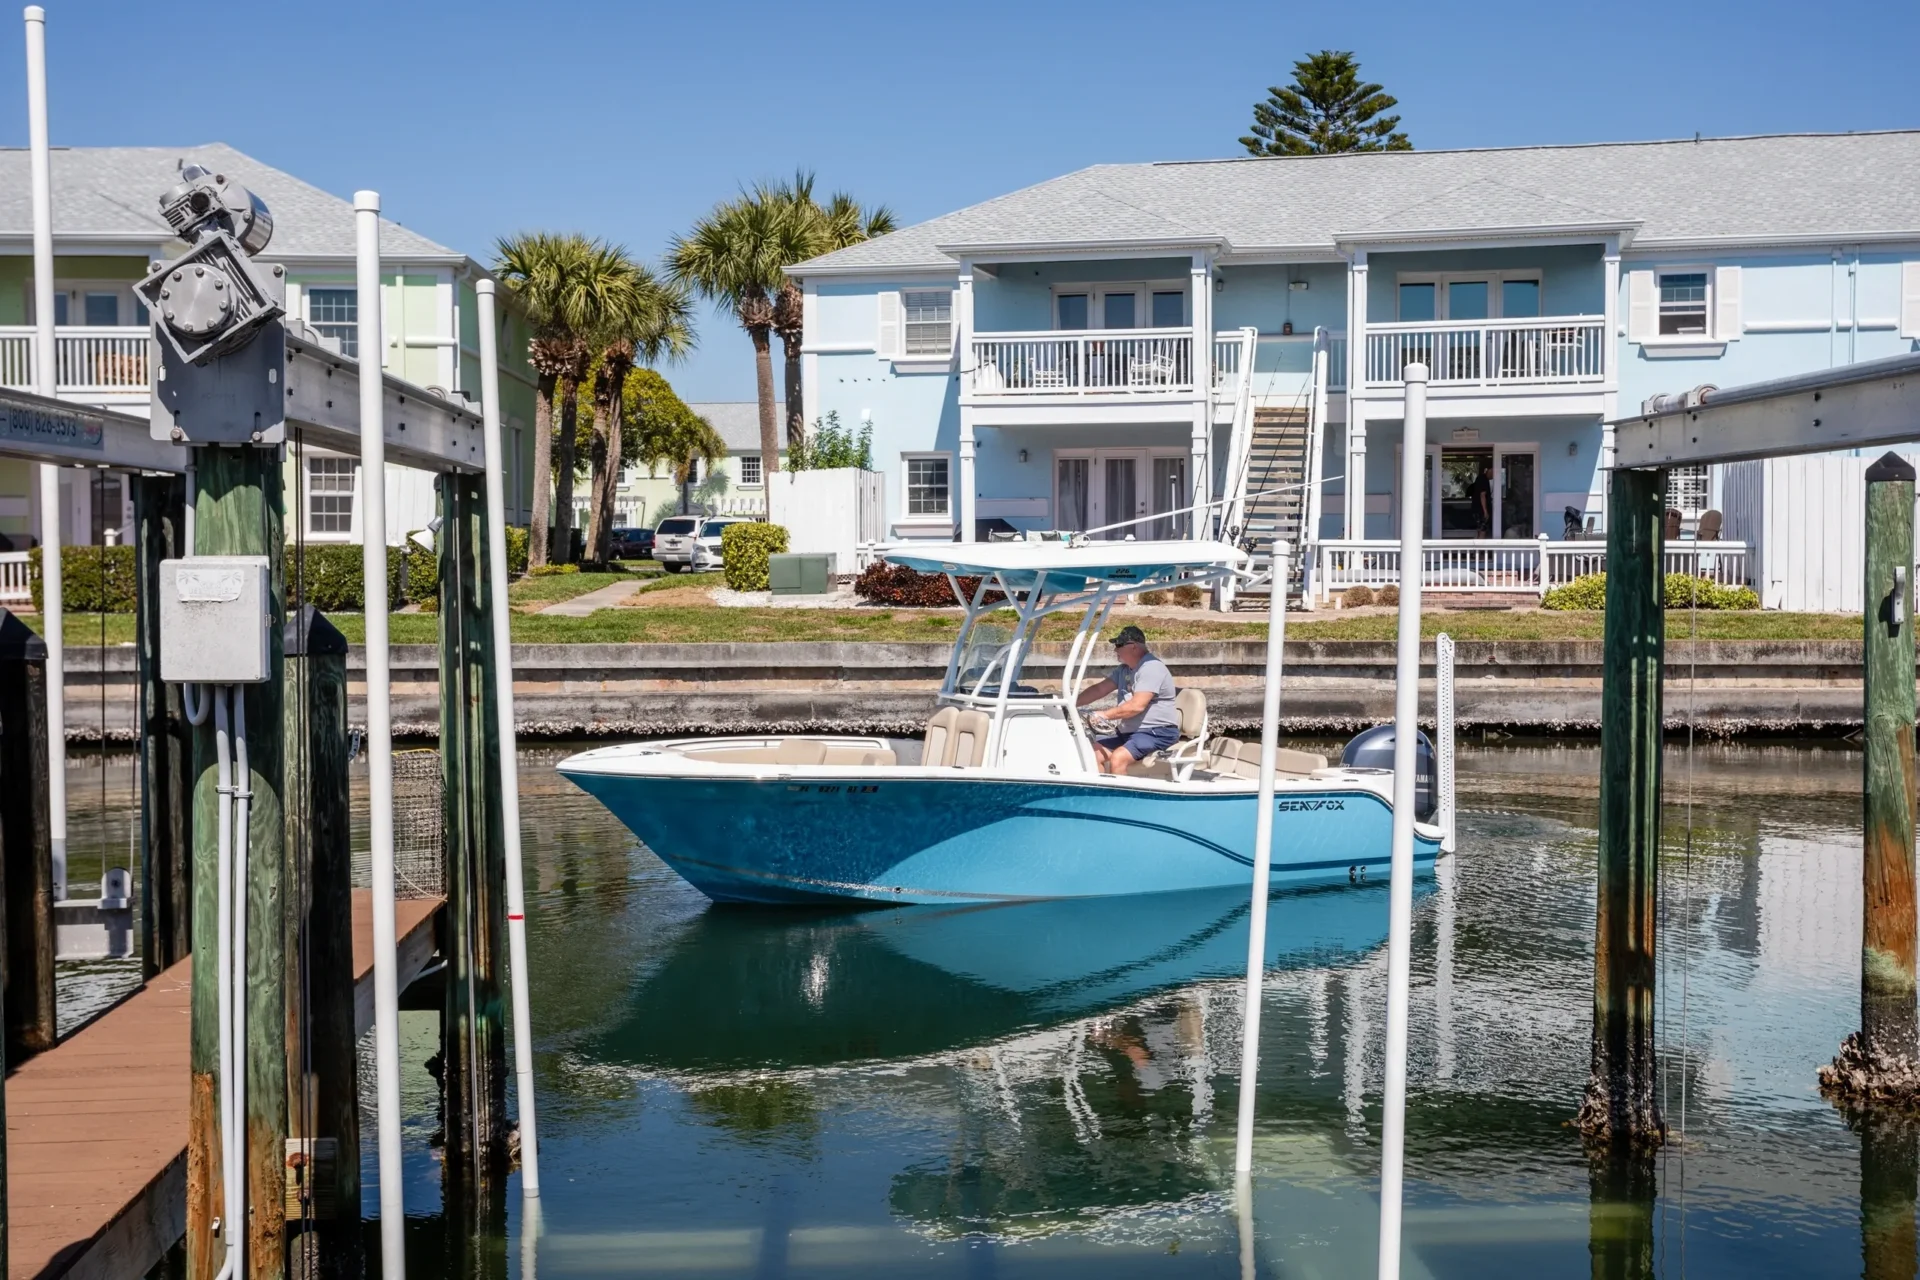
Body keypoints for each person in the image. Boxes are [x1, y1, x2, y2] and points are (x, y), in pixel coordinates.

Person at [1075, 625, 1180, 775]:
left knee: (1118, 758)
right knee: (1092, 754)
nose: (1115, 650)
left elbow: (1136, 706)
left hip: (1157, 732)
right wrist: (1072, 703)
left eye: (1119, 645)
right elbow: (1099, 689)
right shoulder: (1123, 669)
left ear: (1133, 647)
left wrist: (1104, 715)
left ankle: (1121, 798)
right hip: (1129, 733)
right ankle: (1102, 796)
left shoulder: (1151, 668)